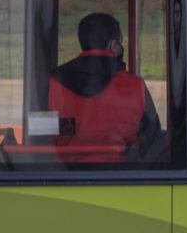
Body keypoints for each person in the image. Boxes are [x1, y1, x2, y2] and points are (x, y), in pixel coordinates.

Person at [48, 12, 164, 164]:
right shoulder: (135, 86)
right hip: (123, 176)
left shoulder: (55, 82)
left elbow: (43, 132)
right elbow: (152, 144)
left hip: (63, 174)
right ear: (113, 45)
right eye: (120, 43)